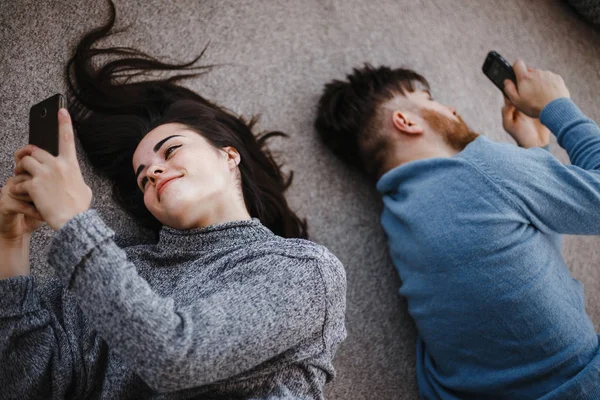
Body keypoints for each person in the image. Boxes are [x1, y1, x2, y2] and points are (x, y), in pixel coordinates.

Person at [0, 2, 346, 399]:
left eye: (171, 150)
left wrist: (73, 220)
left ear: (228, 156)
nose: (154, 172)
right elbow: (31, 384)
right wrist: (11, 242)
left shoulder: (303, 270)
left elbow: (176, 357)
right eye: (143, 176)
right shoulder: (119, 268)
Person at [314, 61, 600, 399]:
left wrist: (537, 152)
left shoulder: (400, 218)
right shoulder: (482, 167)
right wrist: (558, 107)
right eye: (430, 100)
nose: (451, 108)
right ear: (406, 121)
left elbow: (525, 260)